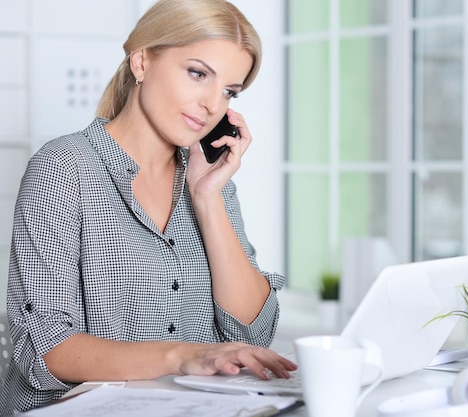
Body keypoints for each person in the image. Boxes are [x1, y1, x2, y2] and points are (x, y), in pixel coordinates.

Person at [0, 0, 296, 413]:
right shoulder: (64, 169)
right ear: (141, 62)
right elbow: (46, 349)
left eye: (229, 91)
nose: (213, 105)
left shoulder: (211, 180)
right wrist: (182, 356)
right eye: (198, 74)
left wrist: (208, 198)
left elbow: (254, 332)